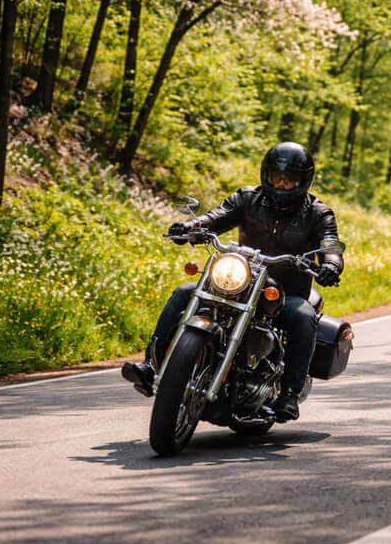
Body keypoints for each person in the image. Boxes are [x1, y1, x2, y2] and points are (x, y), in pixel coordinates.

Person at [121, 142, 343, 422]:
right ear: (267, 175)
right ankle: (151, 367)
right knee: (183, 293)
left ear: (304, 181)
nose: (282, 185)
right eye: (277, 178)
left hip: (283, 292)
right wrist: (191, 228)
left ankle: (289, 392)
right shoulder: (248, 198)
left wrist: (332, 264)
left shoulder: (318, 213)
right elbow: (217, 215)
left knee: (303, 316)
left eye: (290, 181)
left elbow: (330, 244)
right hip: (240, 282)